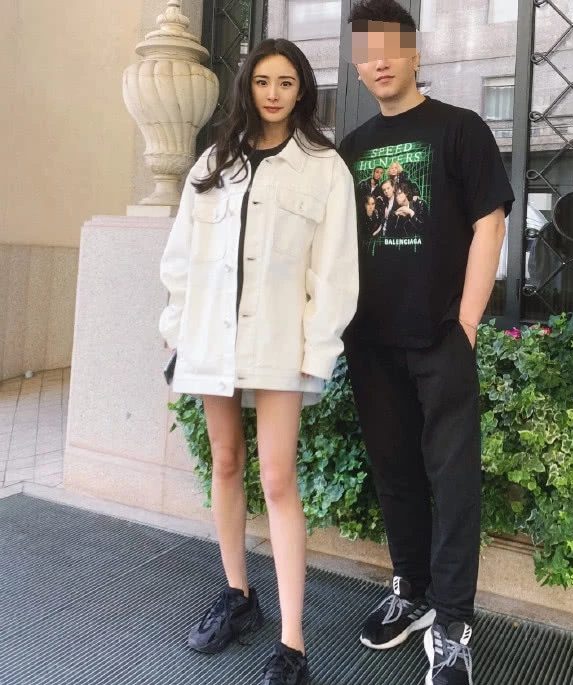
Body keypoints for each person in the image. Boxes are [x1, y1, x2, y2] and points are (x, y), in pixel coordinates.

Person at [158, 37, 358, 685]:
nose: (273, 93)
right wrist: (175, 331)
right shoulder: (213, 161)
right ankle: (238, 594)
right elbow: (181, 257)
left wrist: (317, 350)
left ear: (302, 92)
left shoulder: (323, 167)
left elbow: (334, 274)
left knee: (277, 479)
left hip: (280, 345)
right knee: (224, 461)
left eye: (286, 82)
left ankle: (292, 641)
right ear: (247, 85)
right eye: (263, 81)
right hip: (209, 339)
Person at [339, 1, 515, 684]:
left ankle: (452, 621)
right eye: (366, 50)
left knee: (452, 479)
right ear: (357, 64)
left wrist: (466, 322)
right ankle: (410, 591)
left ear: (415, 52)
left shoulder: (459, 128)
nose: (379, 59)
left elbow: (489, 222)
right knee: (395, 473)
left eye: (390, 45)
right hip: (370, 341)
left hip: (440, 337)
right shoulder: (350, 149)